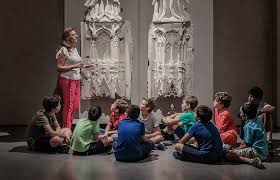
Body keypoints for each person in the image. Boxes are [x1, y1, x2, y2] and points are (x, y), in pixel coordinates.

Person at [56, 27, 93, 129]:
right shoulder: (63, 50)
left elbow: (77, 64)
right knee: (69, 106)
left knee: (75, 105)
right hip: (67, 80)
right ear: (67, 38)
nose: (76, 36)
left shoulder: (74, 49)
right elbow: (59, 67)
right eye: (73, 34)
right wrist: (75, 66)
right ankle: (66, 129)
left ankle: (67, 128)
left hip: (76, 79)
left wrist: (84, 66)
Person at [225, 102, 268, 169]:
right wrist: (237, 149)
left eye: (241, 112)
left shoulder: (248, 126)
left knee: (228, 155)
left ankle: (251, 161)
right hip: (264, 152)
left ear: (245, 115)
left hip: (256, 152)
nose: (240, 114)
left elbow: (247, 144)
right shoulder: (257, 119)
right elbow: (246, 141)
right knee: (233, 150)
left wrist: (234, 150)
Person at [247, 86, 275, 153]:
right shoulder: (247, 105)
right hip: (250, 131)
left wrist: (260, 111)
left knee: (267, 114)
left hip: (260, 132)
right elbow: (239, 113)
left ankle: (269, 142)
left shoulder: (262, 105)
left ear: (258, 98)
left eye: (251, 96)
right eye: (249, 96)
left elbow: (272, 108)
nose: (249, 98)